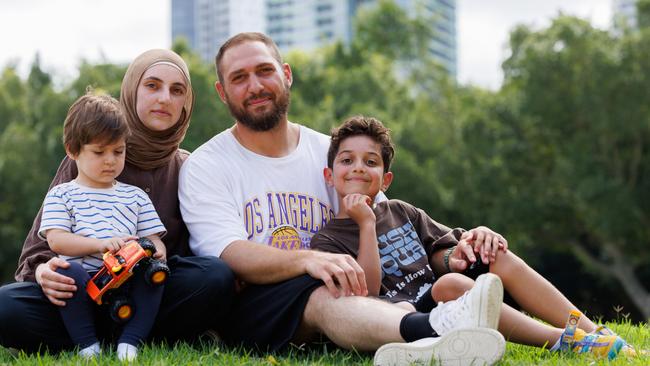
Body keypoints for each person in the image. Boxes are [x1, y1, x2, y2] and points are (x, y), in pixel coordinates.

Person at [179, 32, 505, 366]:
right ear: (222, 92)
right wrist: (309, 260)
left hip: (349, 291)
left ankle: (558, 331)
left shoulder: (332, 154)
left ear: (286, 74)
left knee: (489, 253)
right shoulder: (207, 165)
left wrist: (454, 251)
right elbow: (228, 252)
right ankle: (432, 330)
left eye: (264, 71)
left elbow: (387, 230)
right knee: (320, 290)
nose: (255, 86)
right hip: (257, 308)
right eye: (239, 78)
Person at [310, 115, 634, 360]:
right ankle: (563, 339)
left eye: (371, 162)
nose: (358, 168)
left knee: (493, 258)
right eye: (347, 160)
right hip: (405, 318)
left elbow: (448, 246)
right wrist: (365, 225)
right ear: (330, 175)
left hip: (448, 300)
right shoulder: (326, 241)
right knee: (447, 286)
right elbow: (365, 291)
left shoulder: (400, 211)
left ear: (386, 180)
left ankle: (596, 332)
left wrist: (475, 241)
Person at [0, 49, 235, 354]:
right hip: (78, 293)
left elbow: (195, 253)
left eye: (177, 90)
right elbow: (38, 251)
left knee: (215, 276)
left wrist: (151, 255)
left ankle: (127, 336)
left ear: (186, 103)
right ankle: (95, 337)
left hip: (146, 292)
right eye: (152, 85)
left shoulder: (190, 167)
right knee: (5, 306)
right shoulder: (85, 157)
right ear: (132, 90)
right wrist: (45, 273)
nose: (164, 98)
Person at [39, 92, 168, 360]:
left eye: (118, 151)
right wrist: (99, 246)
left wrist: (157, 250)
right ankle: (88, 344)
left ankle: (130, 341)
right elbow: (57, 241)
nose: (110, 160)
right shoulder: (62, 194)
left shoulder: (135, 196)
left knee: (154, 274)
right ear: (73, 150)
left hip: (128, 281)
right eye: (99, 152)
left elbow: (153, 238)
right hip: (85, 284)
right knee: (68, 270)